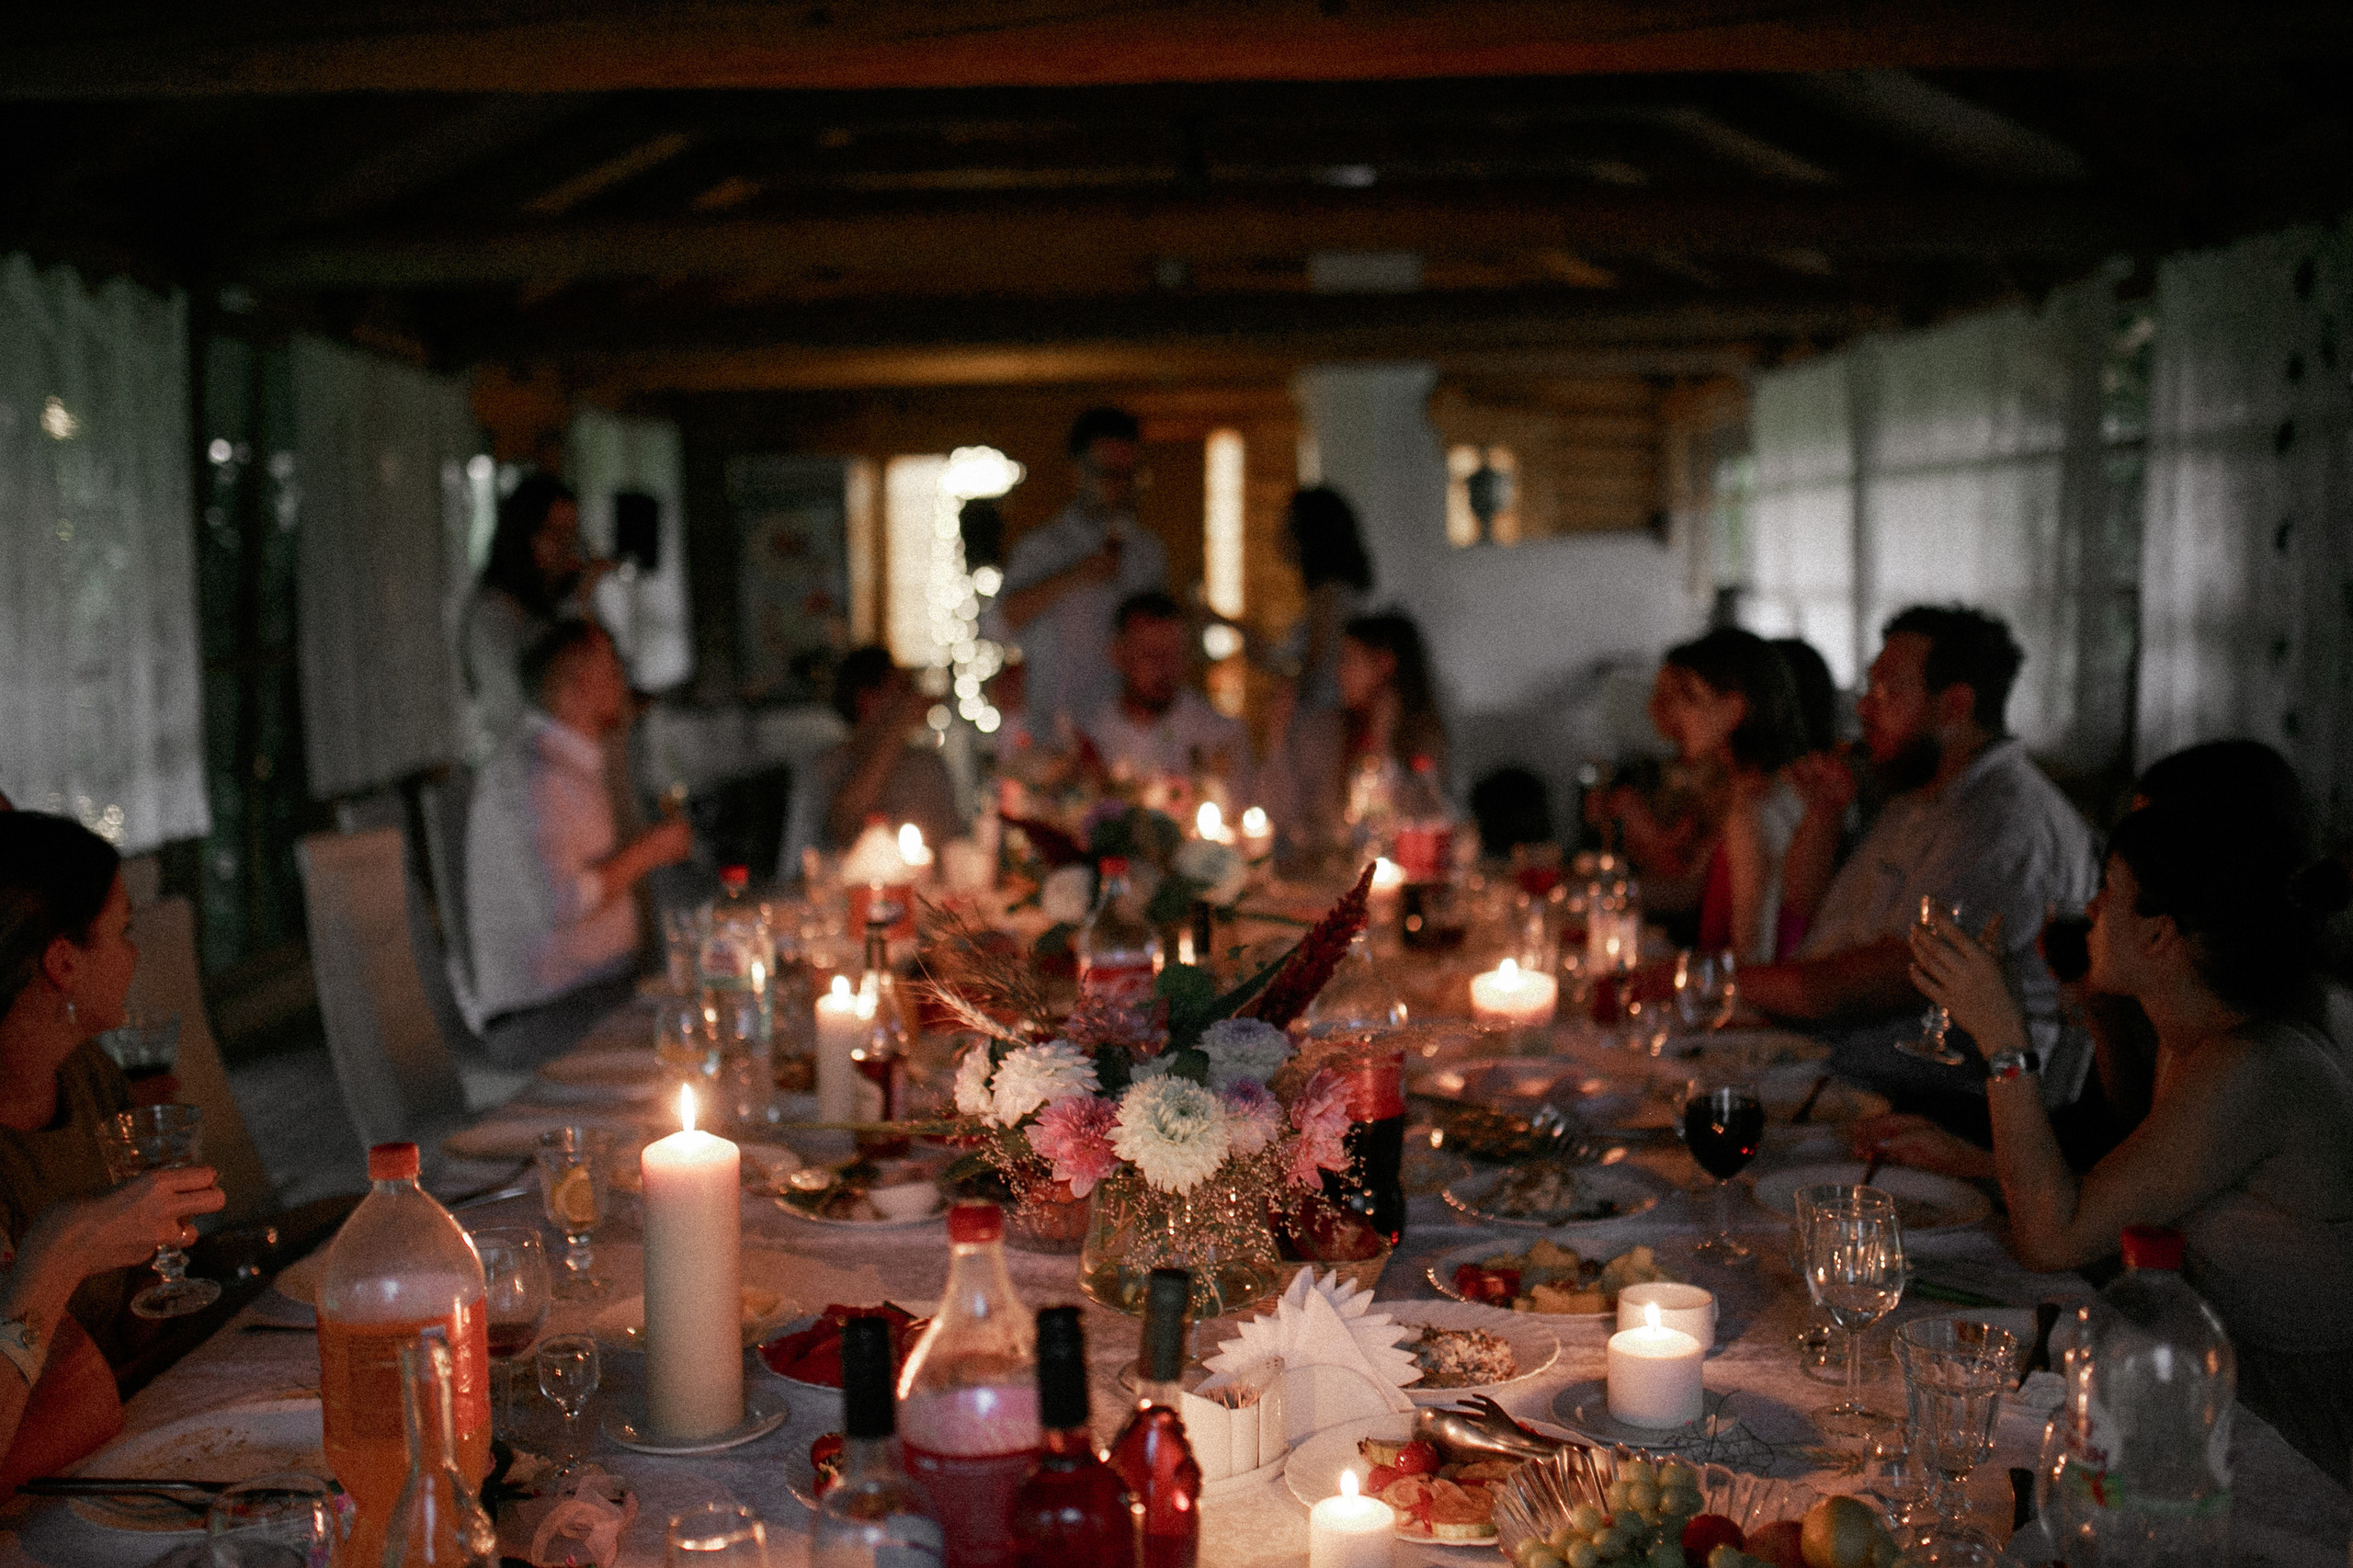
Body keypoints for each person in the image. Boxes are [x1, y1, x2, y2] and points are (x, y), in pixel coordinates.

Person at [1910, 802, 2353, 1476]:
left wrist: (2004, 1040)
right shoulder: (2196, 1040)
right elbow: (2119, 1182)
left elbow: (2051, 1236)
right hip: (2206, 1375)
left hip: (2290, 1435)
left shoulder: (2253, 1067)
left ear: (2160, 936)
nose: (2089, 908)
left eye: (2109, 890)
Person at [1855, 737, 2320, 1176]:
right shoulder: (2189, 1019)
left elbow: (2072, 1226)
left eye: (2131, 867)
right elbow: (2120, 1141)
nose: (2094, 902)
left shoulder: (2248, 1054)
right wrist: (2098, 1007)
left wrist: (2003, 1038)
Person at [1736, 605, 2098, 1114]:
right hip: (1852, 1071)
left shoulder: (2003, 824)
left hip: (1945, 1106)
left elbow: (1854, 990)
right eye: (1869, 687)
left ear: (1953, 706)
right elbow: (1806, 906)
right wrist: (1823, 814)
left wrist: (1709, 981)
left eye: (1888, 691)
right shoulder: (1920, 793)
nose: (1864, 708)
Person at [0, 813, 226, 1493]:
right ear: (63, 963)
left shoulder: (89, 1077)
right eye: (123, 931)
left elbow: (112, 1351)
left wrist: (157, 1263)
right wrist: (67, 1245)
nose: (134, 954)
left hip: (110, 1463)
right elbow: (79, 1396)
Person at [467, 621, 691, 1066]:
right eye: (612, 666)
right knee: (693, 1044)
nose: (622, 681)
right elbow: (563, 902)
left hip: (599, 992)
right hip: (546, 1015)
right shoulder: (530, 775)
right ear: (577, 682)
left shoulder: (570, 762)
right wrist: (652, 849)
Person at [989, 407, 1167, 737]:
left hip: (1132, 735)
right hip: (1057, 731)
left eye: (1130, 474)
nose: (1120, 486)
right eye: (1108, 473)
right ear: (1078, 473)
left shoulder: (1147, 552)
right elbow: (999, 623)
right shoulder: (1042, 548)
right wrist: (1074, 576)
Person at [1650, 630, 1809, 963]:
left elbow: (1751, 951)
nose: (1677, 715)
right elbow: (1694, 888)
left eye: (1691, 698)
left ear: (1734, 710)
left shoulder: (1753, 809)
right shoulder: (1754, 792)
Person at [1263, 610, 1447, 861]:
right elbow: (1283, 816)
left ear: (1384, 665)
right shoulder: (1323, 731)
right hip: (1324, 873)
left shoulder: (1421, 736)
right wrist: (1277, 739)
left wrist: (1382, 742)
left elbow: (1426, 818)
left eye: (1348, 660)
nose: (1339, 672)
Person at [779, 646, 964, 878]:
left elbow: (954, 848)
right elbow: (843, 828)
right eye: (900, 691)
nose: (911, 698)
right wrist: (897, 727)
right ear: (867, 701)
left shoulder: (927, 766)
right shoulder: (826, 766)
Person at [460, 474, 606, 760]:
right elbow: (529, 702)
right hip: (523, 771)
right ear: (524, 536)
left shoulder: (555, 605)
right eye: (556, 534)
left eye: (572, 535)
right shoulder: (492, 613)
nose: (569, 549)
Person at [1080, 593, 1251, 796]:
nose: (1164, 667)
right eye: (1151, 655)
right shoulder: (1094, 735)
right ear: (1119, 654)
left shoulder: (1220, 735)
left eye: (1174, 654)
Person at [1270, 486, 1374, 714]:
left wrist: (1287, 688)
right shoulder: (1334, 591)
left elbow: (1312, 663)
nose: (1277, 532)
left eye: (1288, 523)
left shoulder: (1328, 594)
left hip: (1323, 713)